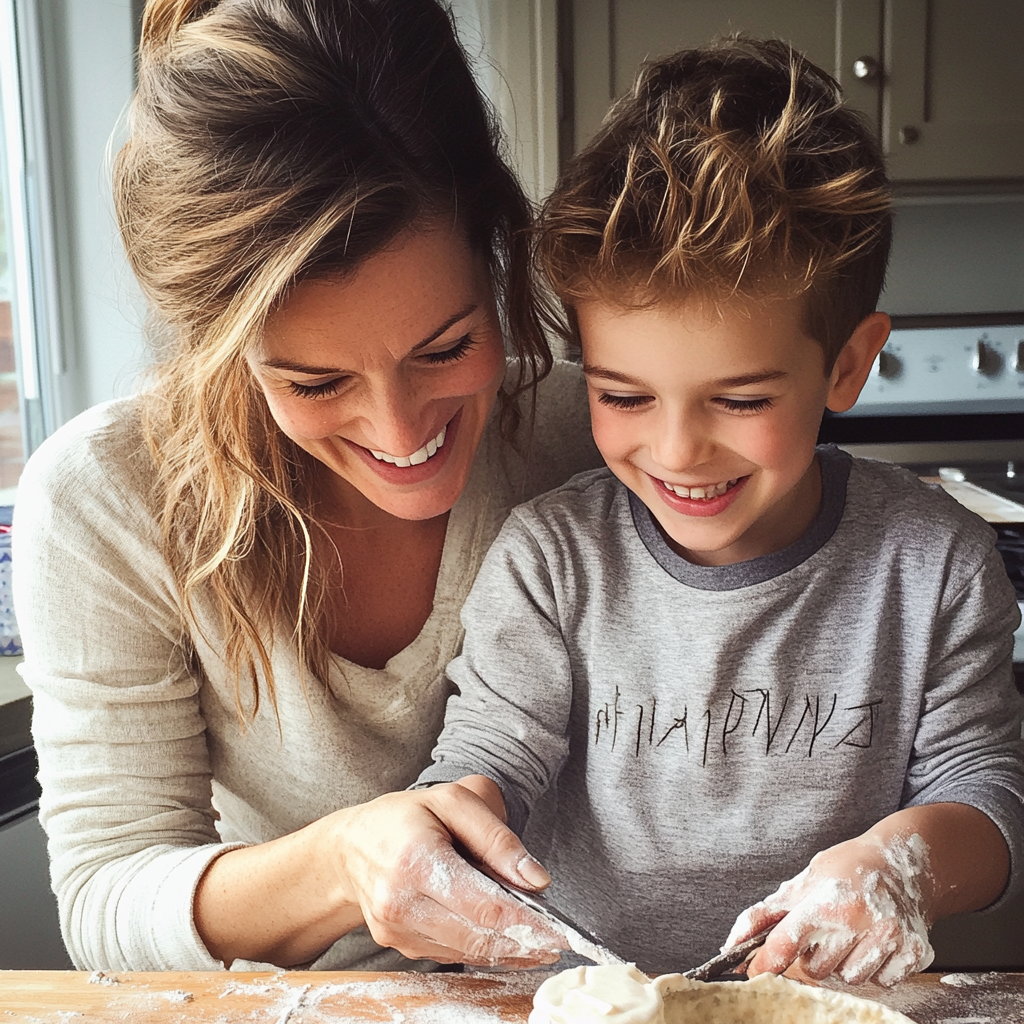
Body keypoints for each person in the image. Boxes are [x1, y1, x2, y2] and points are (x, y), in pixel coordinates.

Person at [412, 39, 1024, 983]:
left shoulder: (933, 563)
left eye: (740, 401)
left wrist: (900, 861)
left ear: (850, 366)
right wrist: (450, 831)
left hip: (824, 1006)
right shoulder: (552, 558)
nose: (677, 451)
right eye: (623, 397)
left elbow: (986, 796)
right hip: (586, 997)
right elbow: (489, 757)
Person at [14, 0, 598, 972]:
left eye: (446, 346)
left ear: (498, 243)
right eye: (315, 381)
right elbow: (107, 896)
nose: (402, 430)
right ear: (223, 349)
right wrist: (343, 861)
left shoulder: (601, 440)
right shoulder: (103, 502)